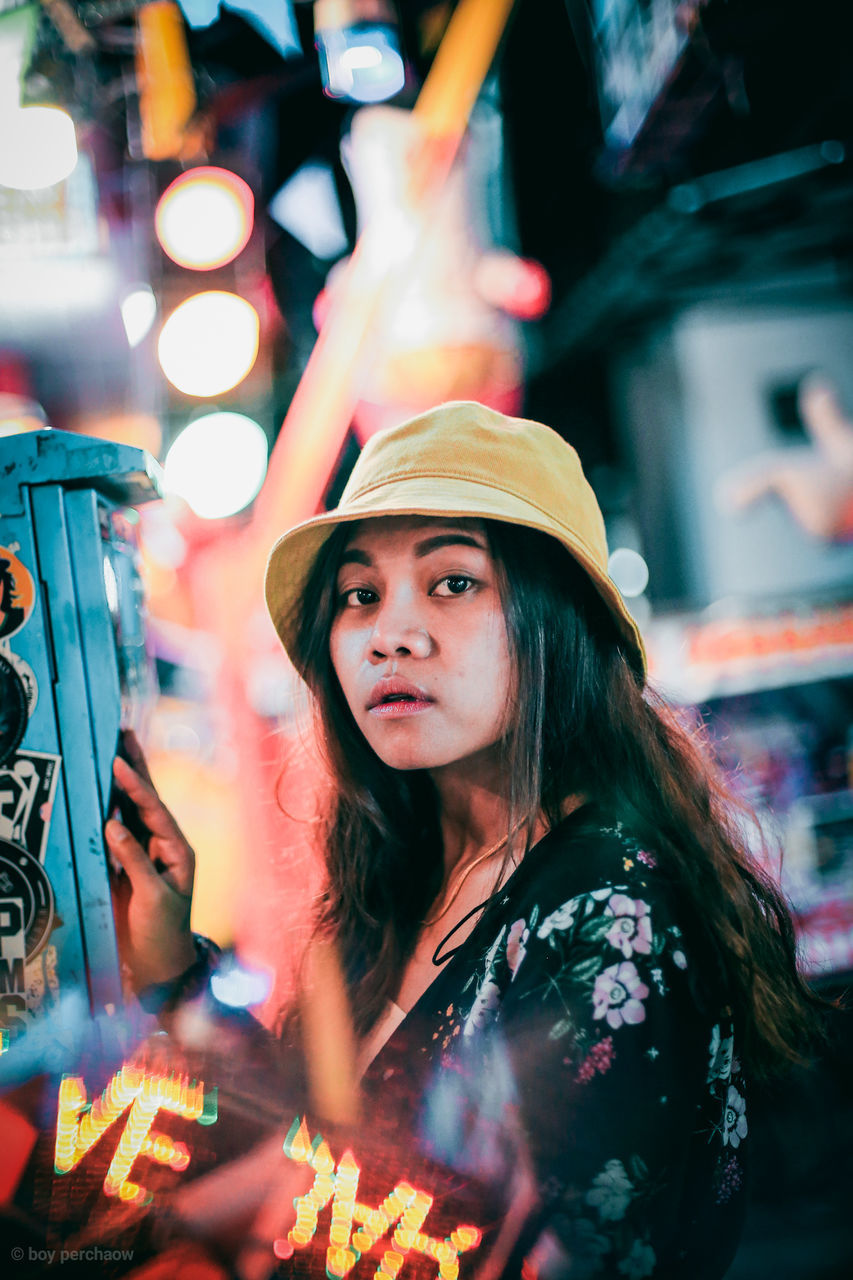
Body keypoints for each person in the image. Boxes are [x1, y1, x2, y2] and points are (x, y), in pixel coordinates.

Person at [106, 401, 826, 1279]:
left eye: (452, 582)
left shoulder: (607, 906)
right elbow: (314, 1143)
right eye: (358, 596)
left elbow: (525, 1251)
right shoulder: (400, 878)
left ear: (555, 620)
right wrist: (174, 965)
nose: (389, 636)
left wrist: (218, 1237)